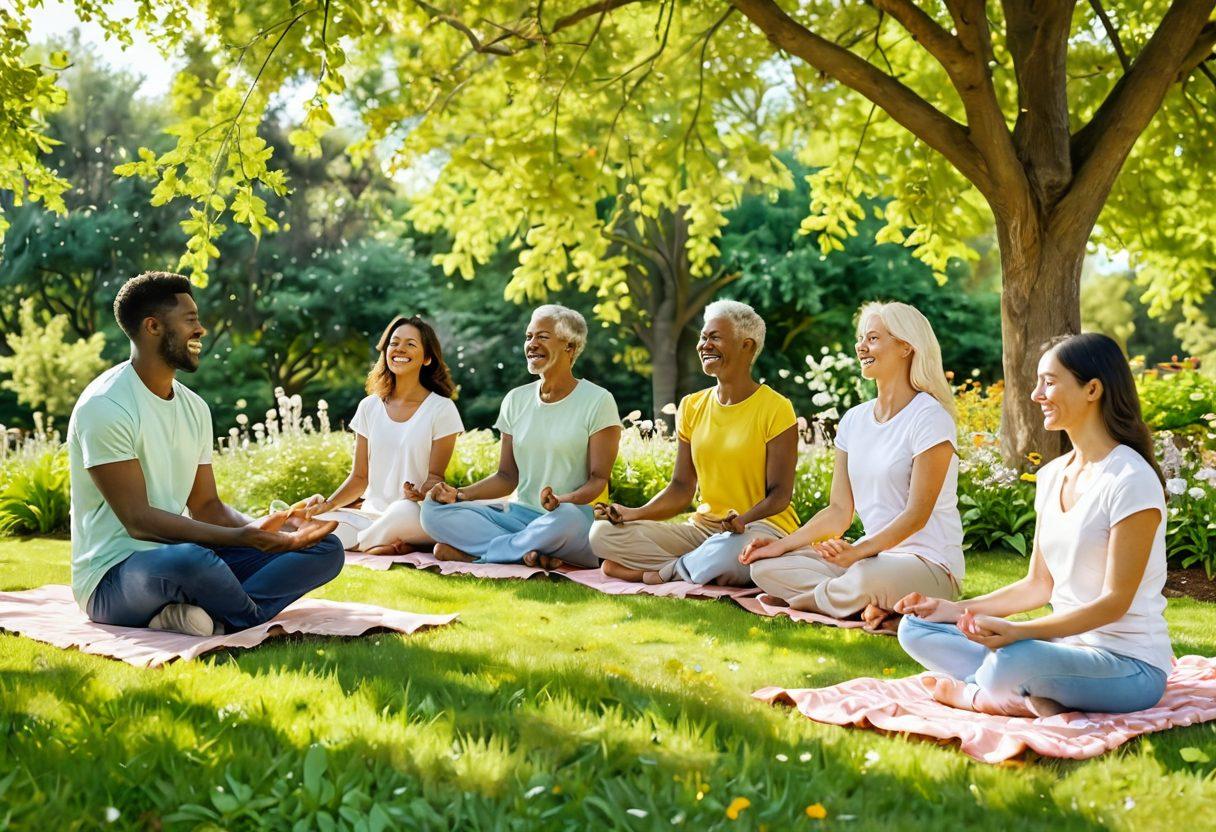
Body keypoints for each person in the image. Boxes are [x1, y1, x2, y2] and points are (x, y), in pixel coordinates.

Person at [895, 333, 1172, 716]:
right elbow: (1038, 585)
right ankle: (1030, 694)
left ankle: (977, 694)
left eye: (1049, 381)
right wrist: (950, 609)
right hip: (1061, 650)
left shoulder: (1130, 478)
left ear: (1093, 389)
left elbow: (1114, 603)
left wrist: (1021, 633)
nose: (1036, 394)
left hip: (1128, 665)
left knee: (1012, 659)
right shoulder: (1053, 475)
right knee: (915, 629)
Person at [68, 272, 343, 637]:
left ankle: (205, 615)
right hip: (113, 578)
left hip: (185, 558)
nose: (201, 330)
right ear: (153, 327)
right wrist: (244, 538)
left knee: (324, 549)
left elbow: (207, 506)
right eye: (191, 320)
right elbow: (139, 521)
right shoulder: (106, 406)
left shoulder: (194, 408)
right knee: (192, 559)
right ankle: (244, 617)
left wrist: (277, 526)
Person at [740, 301, 962, 631]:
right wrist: (780, 546)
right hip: (870, 558)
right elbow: (839, 511)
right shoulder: (854, 420)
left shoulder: (930, 418)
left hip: (927, 565)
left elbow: (917, 515)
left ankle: (808, 602)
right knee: (765, 569)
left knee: (865, 577)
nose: (861, 347)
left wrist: (857, 553)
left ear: (905, 346)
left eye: (872, 338)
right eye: (861, 338)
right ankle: (868, 606)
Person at [589, 300, 799, 586]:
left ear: (746, 346)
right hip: (702, 531)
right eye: (703, 337)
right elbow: (681, 488)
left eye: (715, 337)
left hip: (758, 529)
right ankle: (696, 565)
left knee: (733, 553)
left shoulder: (776, 407)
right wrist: (632, 514)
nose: (704, 345)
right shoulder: (691, 406)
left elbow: (780, 495)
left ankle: (662, 572)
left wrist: (742, 520)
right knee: (601, 534)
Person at [418, 305, 620, 569]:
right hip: (519, 516)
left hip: (569, 518)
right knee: (432, 512)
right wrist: (457, 495)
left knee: (566, 518)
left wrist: (563, 500)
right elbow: (506, 477)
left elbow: (598, 480)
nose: (532, 344)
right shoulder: (516, 399)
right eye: (528, 337)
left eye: (542, 337)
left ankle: (481, 555)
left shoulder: (598, 401)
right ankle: (530, 552)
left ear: (569, 347)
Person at [298, 315, 462, 554]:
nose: (399, 349)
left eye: (410, 344)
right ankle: (386, 544)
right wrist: (329, 504)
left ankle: (362, 544)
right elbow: (359, 477)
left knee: (401, 510)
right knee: (314, 521)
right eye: (394, 343)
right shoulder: (369, 407)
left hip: (413, 514)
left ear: (427, 358)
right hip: (370, 515)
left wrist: (420, 493)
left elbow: (435, 478)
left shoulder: (441, 409)